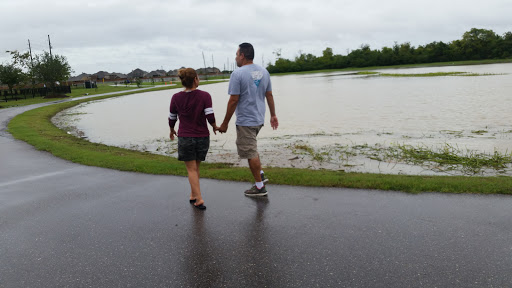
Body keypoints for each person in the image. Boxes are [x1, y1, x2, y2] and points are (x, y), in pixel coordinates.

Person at [217, 43, 278, 197]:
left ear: (242, 55)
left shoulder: (237, 74)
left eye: (237, 54)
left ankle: (259, 187)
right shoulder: (264, 71)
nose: (236, 57)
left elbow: (233, 100)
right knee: (252, 148)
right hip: (259, 118)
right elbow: (269, 95)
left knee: (250, 152)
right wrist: (273, 115)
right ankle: (261, 174)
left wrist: (224, 124)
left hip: (246, 120)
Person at [169, 68, 218, 210]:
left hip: (185, 137)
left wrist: (172, 129)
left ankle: (198, 198)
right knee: (196, 167)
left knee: (191, 169)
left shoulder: (176, 97)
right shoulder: (205, 96)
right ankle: (193, 195)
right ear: (196, 79)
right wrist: (215, 126)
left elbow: (172, 117)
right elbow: (210, 115)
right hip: (202, 136)